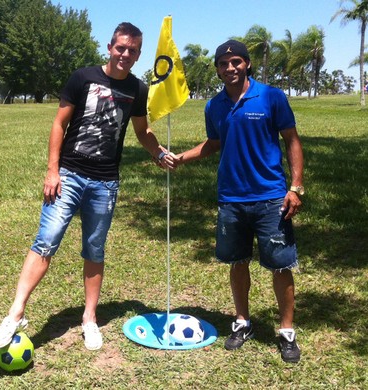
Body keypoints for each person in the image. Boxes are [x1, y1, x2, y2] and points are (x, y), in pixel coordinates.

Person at [0, 22, 170, 351]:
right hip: (69, 175)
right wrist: (52, 171)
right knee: (46, 240)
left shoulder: (138, 89)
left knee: (94, 250)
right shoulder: (83, 77)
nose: (125, 55)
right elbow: (60, 123)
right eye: (120, 48)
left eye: (132, 50)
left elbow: (142, 131)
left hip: (105, 183)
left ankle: (89, 318)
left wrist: (158, 152)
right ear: (110, 47)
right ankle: (15, 314)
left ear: (139, 54)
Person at [165, 39, 304, 363]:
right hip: (231, 199)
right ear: (217, 69)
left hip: (271, 198)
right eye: (223, 64)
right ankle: (242, 322)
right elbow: (214, 143)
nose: (230, 68)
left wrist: (295, 187)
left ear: (247, 64)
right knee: (237, 262)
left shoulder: (271, 97)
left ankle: (286, 332)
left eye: (236, 62)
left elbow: (292, 141)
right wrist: (181, 158)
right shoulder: (214, 106)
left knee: (280, 265)